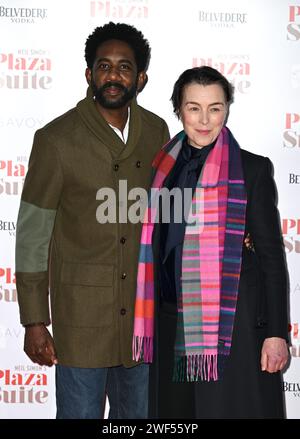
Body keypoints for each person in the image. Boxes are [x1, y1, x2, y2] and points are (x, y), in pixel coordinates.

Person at [15, 22, 169, 419]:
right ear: (89, 74)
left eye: (123, 67)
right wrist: (34, 320)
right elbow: (33, 235)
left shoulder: (157, 131)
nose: (113, 76)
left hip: (140, 321)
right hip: (81, 320)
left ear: (141, 78)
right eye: (104, 66)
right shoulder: (56, 139)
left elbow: (166, 218)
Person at [133, 66, 289, 419]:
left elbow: (271, 259)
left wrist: (276, 333)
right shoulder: (160, 169)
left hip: (231, 328)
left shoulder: (252, 170)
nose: (205, 119)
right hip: (169, 323)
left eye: (215, 108)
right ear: (179, 110)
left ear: (227, 109)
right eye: (194, 108)